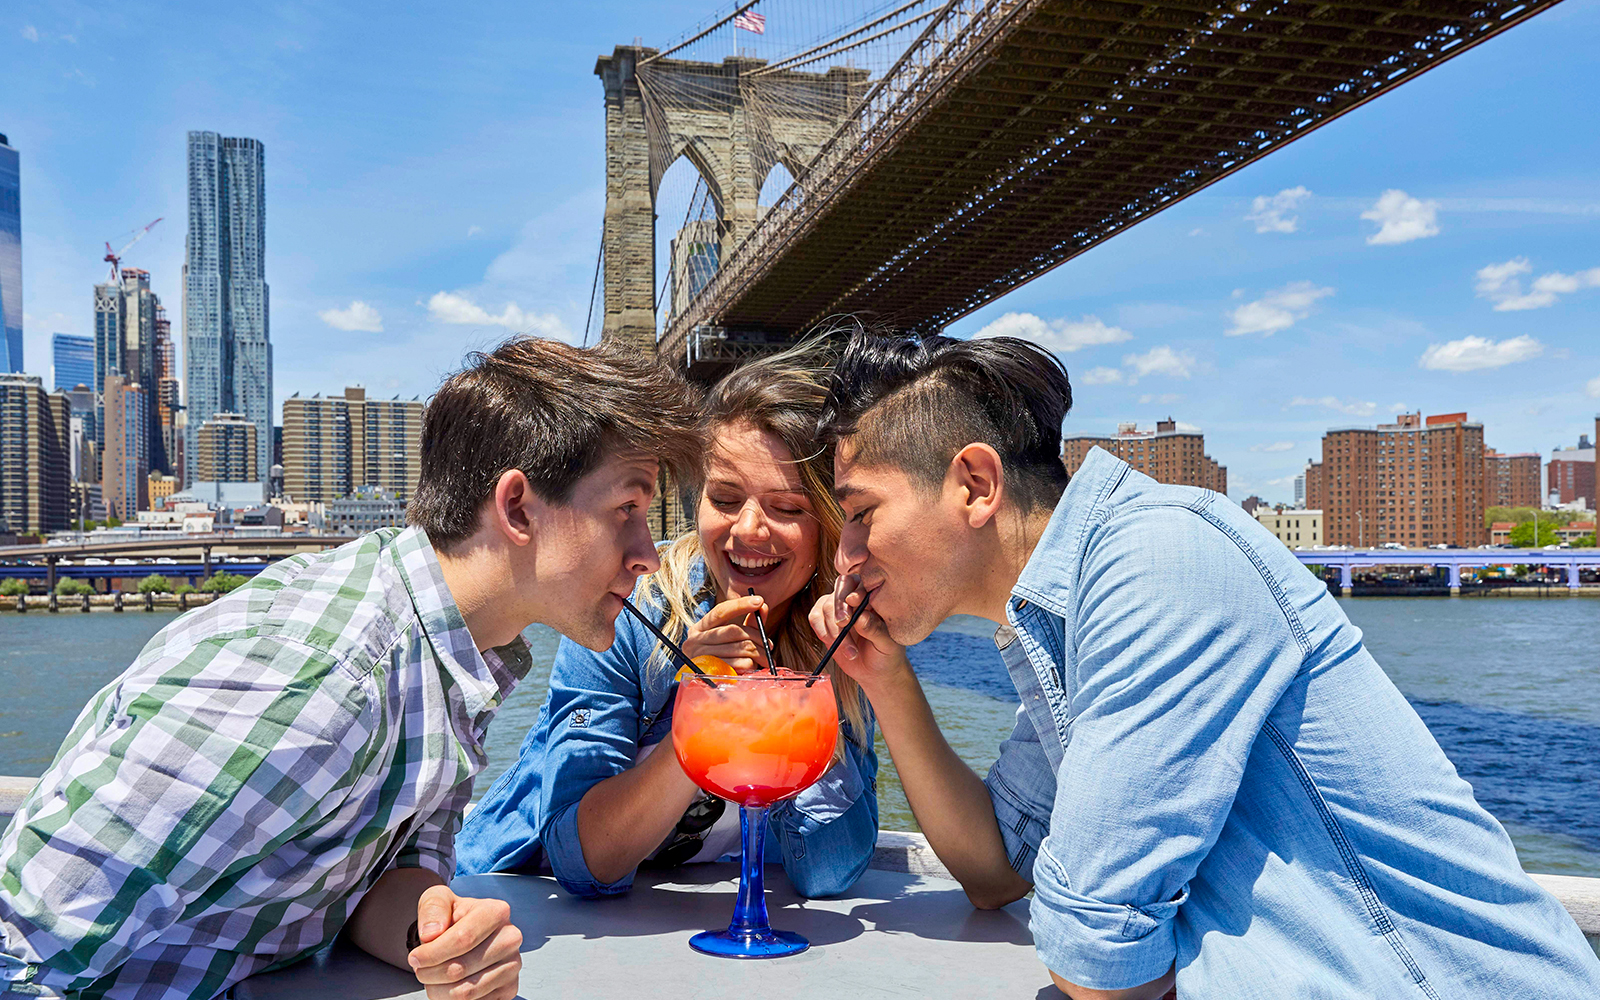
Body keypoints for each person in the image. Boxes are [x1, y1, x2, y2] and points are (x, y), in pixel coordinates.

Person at [807, 332, 1600, 999]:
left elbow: (1094, 950)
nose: (843, 557)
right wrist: (888, 681)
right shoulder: (1069, 620)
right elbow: (993, 870)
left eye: (860, 514)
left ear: (975, 485)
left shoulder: (1159, 561)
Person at [0, 338, 701, 1000]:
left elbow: (363, 878)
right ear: (517, 506)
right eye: (628, 509)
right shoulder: (323, 680)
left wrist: (435, 932)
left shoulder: (460, 654)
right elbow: (23, 940)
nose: (647, 551)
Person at [457, 348, 878, 899]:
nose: (748, 530)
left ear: (827, 519)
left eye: (787, 508)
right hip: (517, 903)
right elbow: (584, 862)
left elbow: (826, 872)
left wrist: (806, 699)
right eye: (724, 498)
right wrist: (698, 719)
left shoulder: (837, 635)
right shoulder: (626, 605)